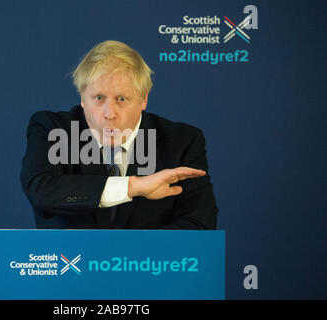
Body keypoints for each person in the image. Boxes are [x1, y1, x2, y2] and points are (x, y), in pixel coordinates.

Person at [20, 40, 218, 229]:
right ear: (82, 97)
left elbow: (200, 222)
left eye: (121, 99)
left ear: (143, 99)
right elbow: (42, 191)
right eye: (99, 98)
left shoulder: (183, 141)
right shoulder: (52, 129)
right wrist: (132, 186)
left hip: (147, 263)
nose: (109, 114)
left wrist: (130, 257)